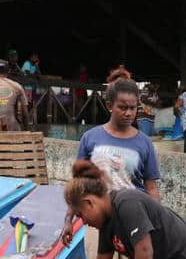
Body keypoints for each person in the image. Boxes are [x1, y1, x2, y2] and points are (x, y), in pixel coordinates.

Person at [60, 76, 161, 247]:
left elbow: (151, 187)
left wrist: (157, 223)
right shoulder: (90, 138)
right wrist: (68, 220)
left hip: (133, 220)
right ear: (109, 106)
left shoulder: (145, 143)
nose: (128, 113)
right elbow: (78, 185)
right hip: (96, 219)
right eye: (122, 107)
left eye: (133, 108)